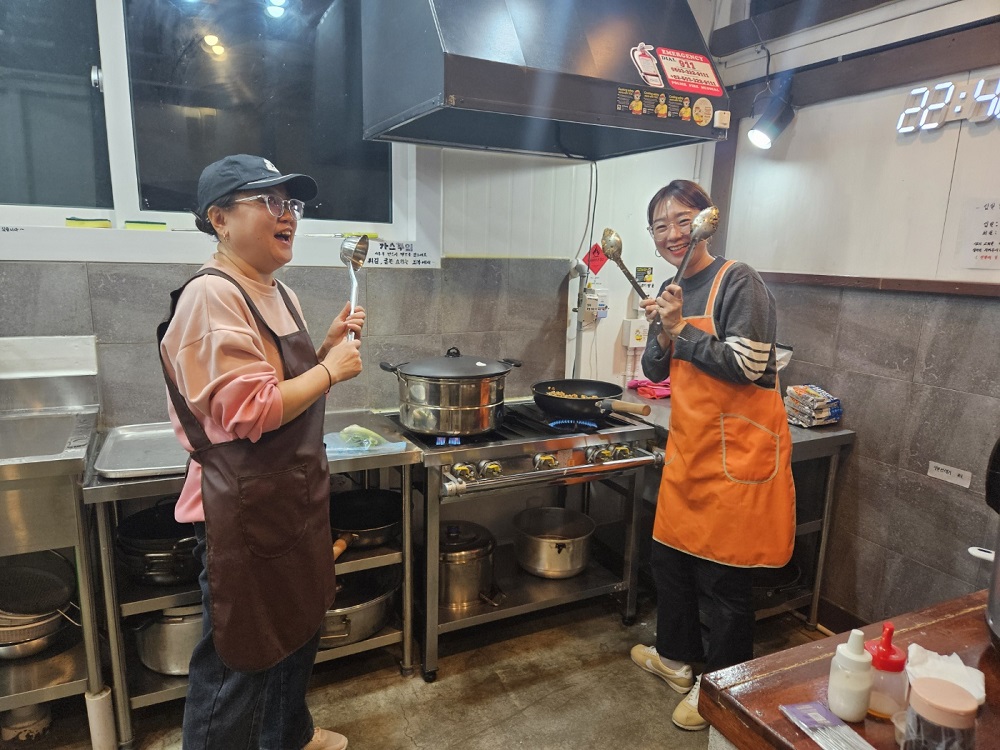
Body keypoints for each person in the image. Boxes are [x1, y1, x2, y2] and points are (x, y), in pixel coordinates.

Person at [158, 154, 365, 750]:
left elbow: (279, 385)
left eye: (291, 203)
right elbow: (251, 411)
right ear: (219, 219)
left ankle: (288, 737)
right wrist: (329, 371)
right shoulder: (211, 295)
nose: (288, 215)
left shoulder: (279, 292)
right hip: (242, 507)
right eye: (269, 202)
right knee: (239, 657)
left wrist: (323, 350)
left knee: (296, 628)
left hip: (288, 494)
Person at [630, 180, 795, 731]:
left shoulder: (738, 281)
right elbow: (655, 370)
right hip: (691, 449)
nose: (673, 233)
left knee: (725, 582)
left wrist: (680, 328)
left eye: (684, 220)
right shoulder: (672, 286)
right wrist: (661, 331)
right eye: (661, 226)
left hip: (736, 454)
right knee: (670, 562)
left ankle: (720, 690)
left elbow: (749, 366)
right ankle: (676, 660)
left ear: (706, 222)